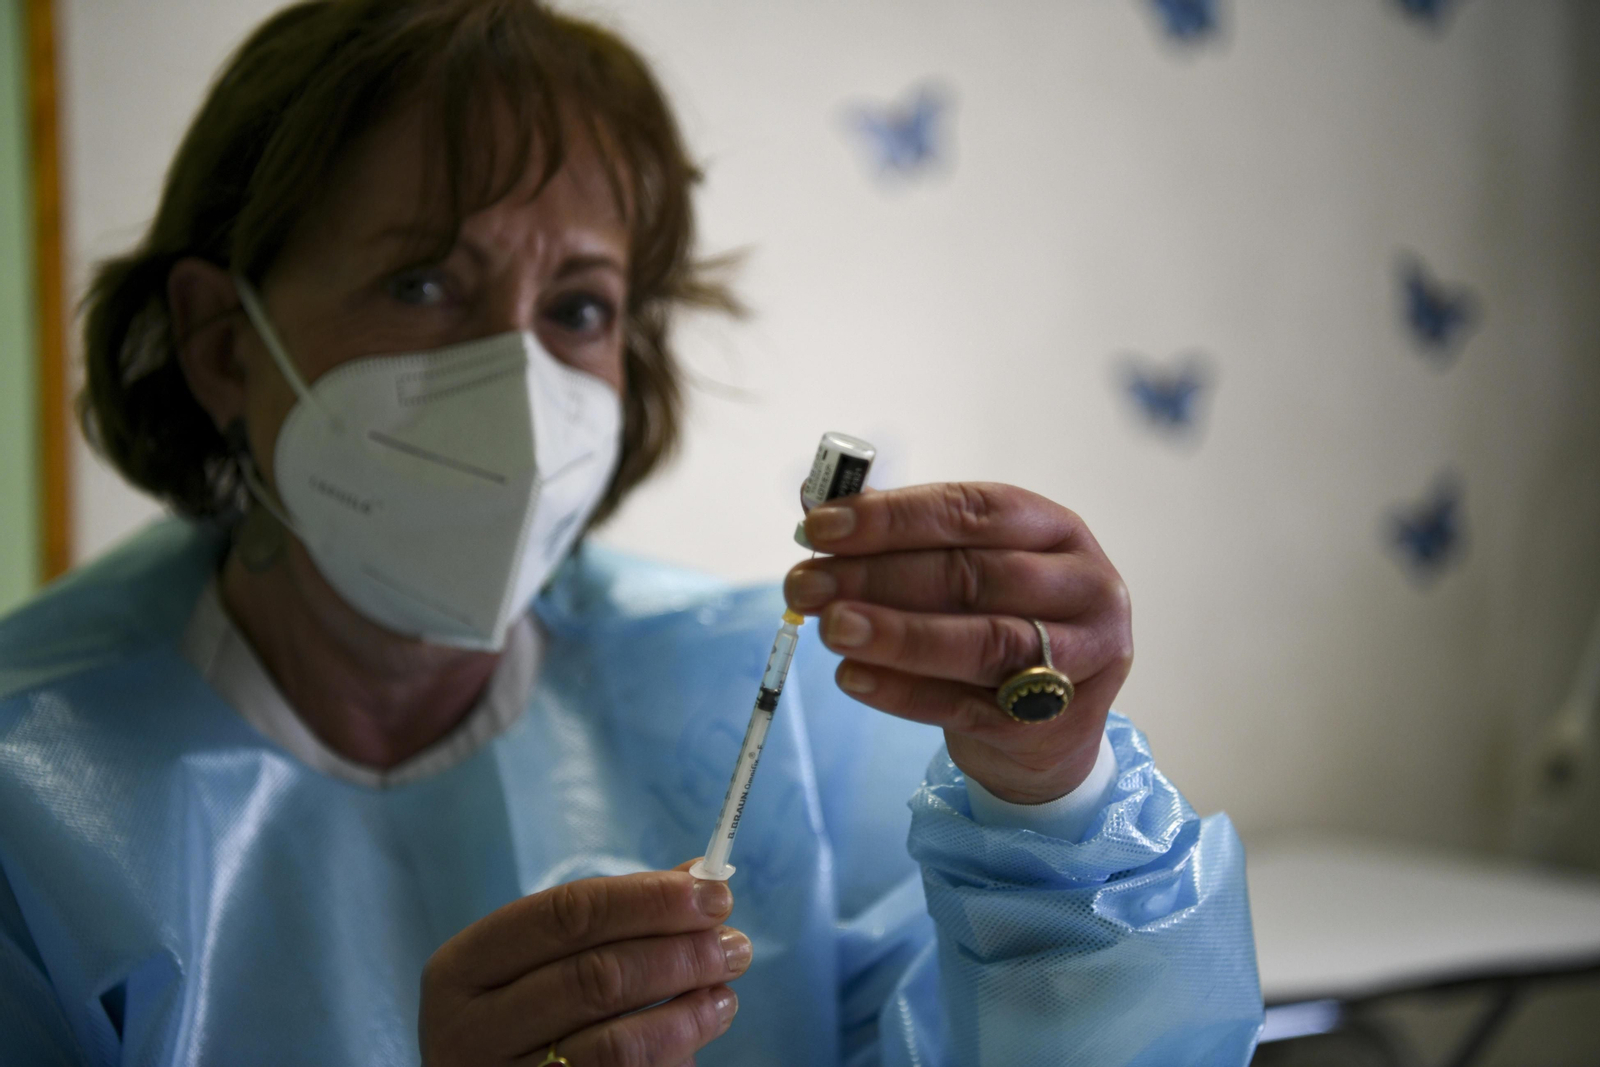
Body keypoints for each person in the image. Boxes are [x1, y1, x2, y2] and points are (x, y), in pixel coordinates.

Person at [0, 2, 1262, 1064]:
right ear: (225, 344)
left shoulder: (774, 718)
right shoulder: (35, 790)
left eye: (579, 304)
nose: (513, 378)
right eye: (423, 280)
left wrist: (1052, 801)